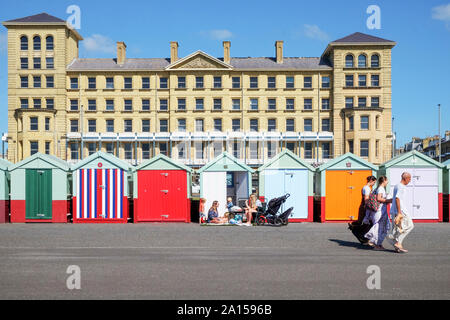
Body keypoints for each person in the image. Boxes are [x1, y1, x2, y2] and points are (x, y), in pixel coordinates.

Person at [387, 172, 414, 253]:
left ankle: (397, 246)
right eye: (409, 179)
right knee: (410, 226)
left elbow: (395, 198)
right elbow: (397, 198)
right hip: (401, 211)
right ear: (405, 178)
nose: (410, 181)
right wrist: (399, 212)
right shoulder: (401, 187)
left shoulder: (396, 185)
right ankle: (398, 243)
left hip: (394, 210)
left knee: (398, 229)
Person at [364, 176, 392, 250]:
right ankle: (375, 242)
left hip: (377, 211)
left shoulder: (376, 188)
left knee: (382, 227)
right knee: (380, 227)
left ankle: (378, 244)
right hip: (379, 211)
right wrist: (389, 200)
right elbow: (379, 198)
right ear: (384, 181)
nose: (387, 182)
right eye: (387, 180)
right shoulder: (380, 189)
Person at [348, 176, 377, 244]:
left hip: (364, 206)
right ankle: (358, 232)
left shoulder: (365, 187)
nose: (374, 184)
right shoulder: (367, 188)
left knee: (366, 223)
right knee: (367, 223)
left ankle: (362, 236)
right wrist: (369, 209)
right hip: (365, 207)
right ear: (371, 181)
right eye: (374, 182)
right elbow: (366, 199)